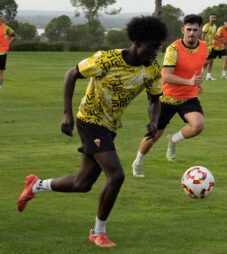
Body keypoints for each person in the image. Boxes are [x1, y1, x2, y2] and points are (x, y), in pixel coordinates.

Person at [17, 16, 167, 248]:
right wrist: (67, 113)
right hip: (90, 121)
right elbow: (71, 74)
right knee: (116, 176)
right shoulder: (107, 59)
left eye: (159, 47)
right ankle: (98, 232)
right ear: (137, 42)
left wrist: (154, 121)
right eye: (152, 47)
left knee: (82, 183)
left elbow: (155, 100)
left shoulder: (152, 69)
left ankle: (36, 185)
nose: (156, 52)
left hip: (110, 126)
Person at [132, 14, 207, 177]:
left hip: (188, 97)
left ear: (200, 31)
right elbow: (166, 76)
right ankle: (138, 162)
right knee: (153, 136)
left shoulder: (204, 47)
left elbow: (198, 66)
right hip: (166, 98)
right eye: (189, 29)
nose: (192, 33)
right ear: (183, 30)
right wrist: (189, 82)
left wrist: (197, 83)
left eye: (195, 30)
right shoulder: (173, 49)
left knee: (198, 125)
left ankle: (173, 140)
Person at [0, 11, 17, 90]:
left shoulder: (6, 27)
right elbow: (15, 37)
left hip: (2, 52)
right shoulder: (6, 27)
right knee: (1, 72)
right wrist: (8, 44)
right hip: (3, 52)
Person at [201, 13, 217, 81]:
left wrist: (220, 41)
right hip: (207, 46)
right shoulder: (206, 26)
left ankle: (208, 76)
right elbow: (203, 35)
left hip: (212, 45)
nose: (213, 19)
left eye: (214, 17)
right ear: (209, 18)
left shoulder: (215, 26)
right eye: (212, 17)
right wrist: (203, 44)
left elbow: (214, 36)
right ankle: (200, 73)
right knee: (207, 61)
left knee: (211, 61)